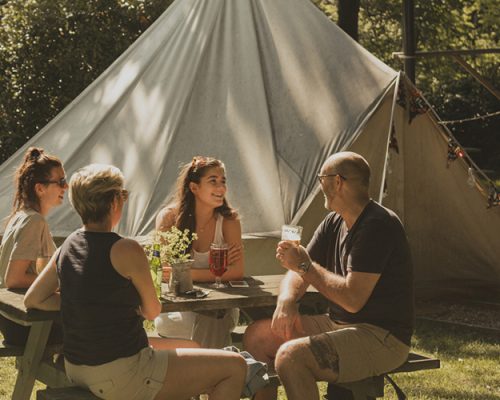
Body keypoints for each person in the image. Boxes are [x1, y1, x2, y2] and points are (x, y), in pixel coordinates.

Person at [24, 163, 246, 400]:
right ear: (114, 202)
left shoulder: (67, 245)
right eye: (124, 195)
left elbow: (34, 298)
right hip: (122, 371)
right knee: (235, 366)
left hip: (78, 367)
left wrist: (84, 303)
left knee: (192, 348)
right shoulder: (126, 248)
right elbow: (152, 311)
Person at [243, 151, 414, 400]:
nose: (319, 184)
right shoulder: (334, 221)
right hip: (339, 325)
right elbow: (296, 272)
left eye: (321, 177)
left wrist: (305, 266)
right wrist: (288, 300)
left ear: (337, 182)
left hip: (381, 337)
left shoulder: (377, 225)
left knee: (291, 357)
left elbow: (352, 299)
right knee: (258, 336)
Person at [154, 156, 244, 348]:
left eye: (223, 181)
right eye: (213, 181)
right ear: (194, 188)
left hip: (220, 307)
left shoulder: (229, 221)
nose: (221, 188)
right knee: (211, 320)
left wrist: (187, 274)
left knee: (215, 315)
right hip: (178, 309)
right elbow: (163, 272)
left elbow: (237, 272)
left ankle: (209, 373)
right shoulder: (169, 218)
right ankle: (216, 372)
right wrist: (218, 272)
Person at [0, 146, 66, 346]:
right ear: (40, 188)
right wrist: (61, 283)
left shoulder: (21, 217)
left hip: (15, 319)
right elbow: (14, 278)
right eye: (61, 182)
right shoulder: (34, 221)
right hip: (28, 324)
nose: (67, 186)